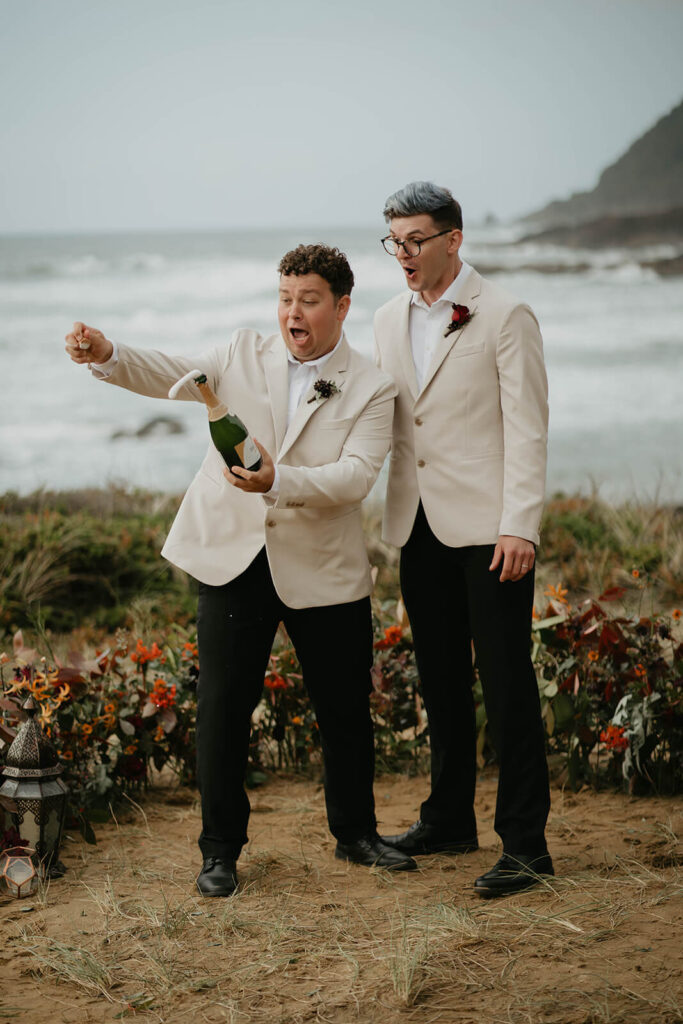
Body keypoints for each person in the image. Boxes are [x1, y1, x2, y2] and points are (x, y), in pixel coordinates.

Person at [65, 244, 416, 896]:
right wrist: (109, 353)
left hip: (322, 566)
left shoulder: (372, 385)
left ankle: (357, 835)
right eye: (285, 298)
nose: (292, 313)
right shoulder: (238, 352)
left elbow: (356, 478)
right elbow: (169, 371)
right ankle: (219, 853)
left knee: (342, 710)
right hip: (232, 560)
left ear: (340, 305)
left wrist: (278, 479)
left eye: (308, 300)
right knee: (222, 710)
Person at [373, 182, 553, 897]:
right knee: (440, 681)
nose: (403, 254)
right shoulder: (387, 318)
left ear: (452, 239)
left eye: (414, 240)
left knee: (507, 684)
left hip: (489, 532)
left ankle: (526, 848)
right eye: (393, 240)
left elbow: (528, 427)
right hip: (416, 523)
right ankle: (448, 818)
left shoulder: (505, 315)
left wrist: (520, 525)